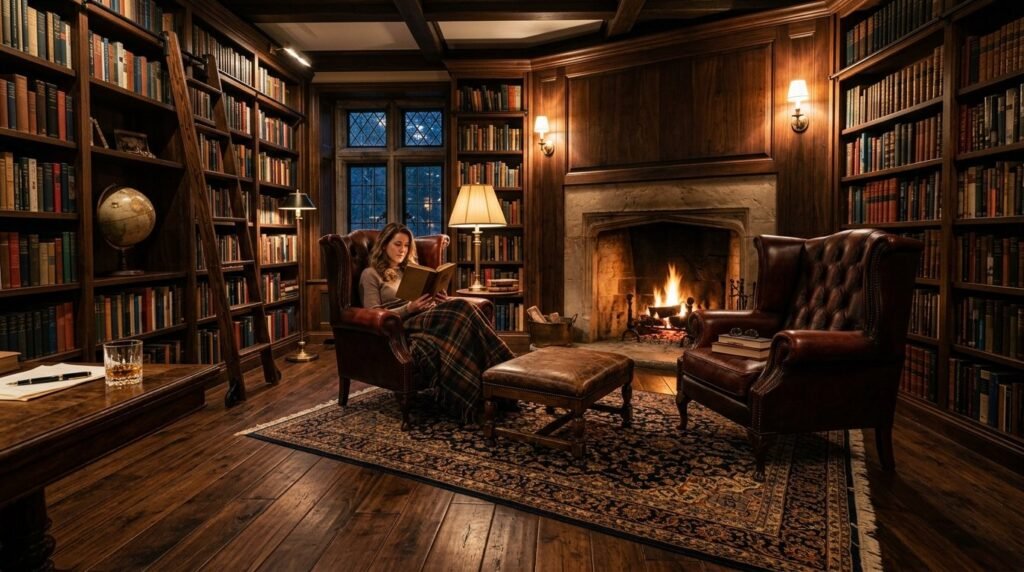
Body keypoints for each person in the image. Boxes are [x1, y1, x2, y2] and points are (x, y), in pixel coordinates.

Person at [359, 222, 515, 423]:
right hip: (402, 325)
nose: (402, 250)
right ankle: (505, 372)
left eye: (406, 246)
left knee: (460, 313)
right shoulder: (370, 274)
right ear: (383, 245)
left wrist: (437, 299)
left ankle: (495, 389)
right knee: (461, 306)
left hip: (427, 316)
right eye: (397, 244)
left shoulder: (409, 271)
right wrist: (409, 309)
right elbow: (374, 315)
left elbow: (424, 298)